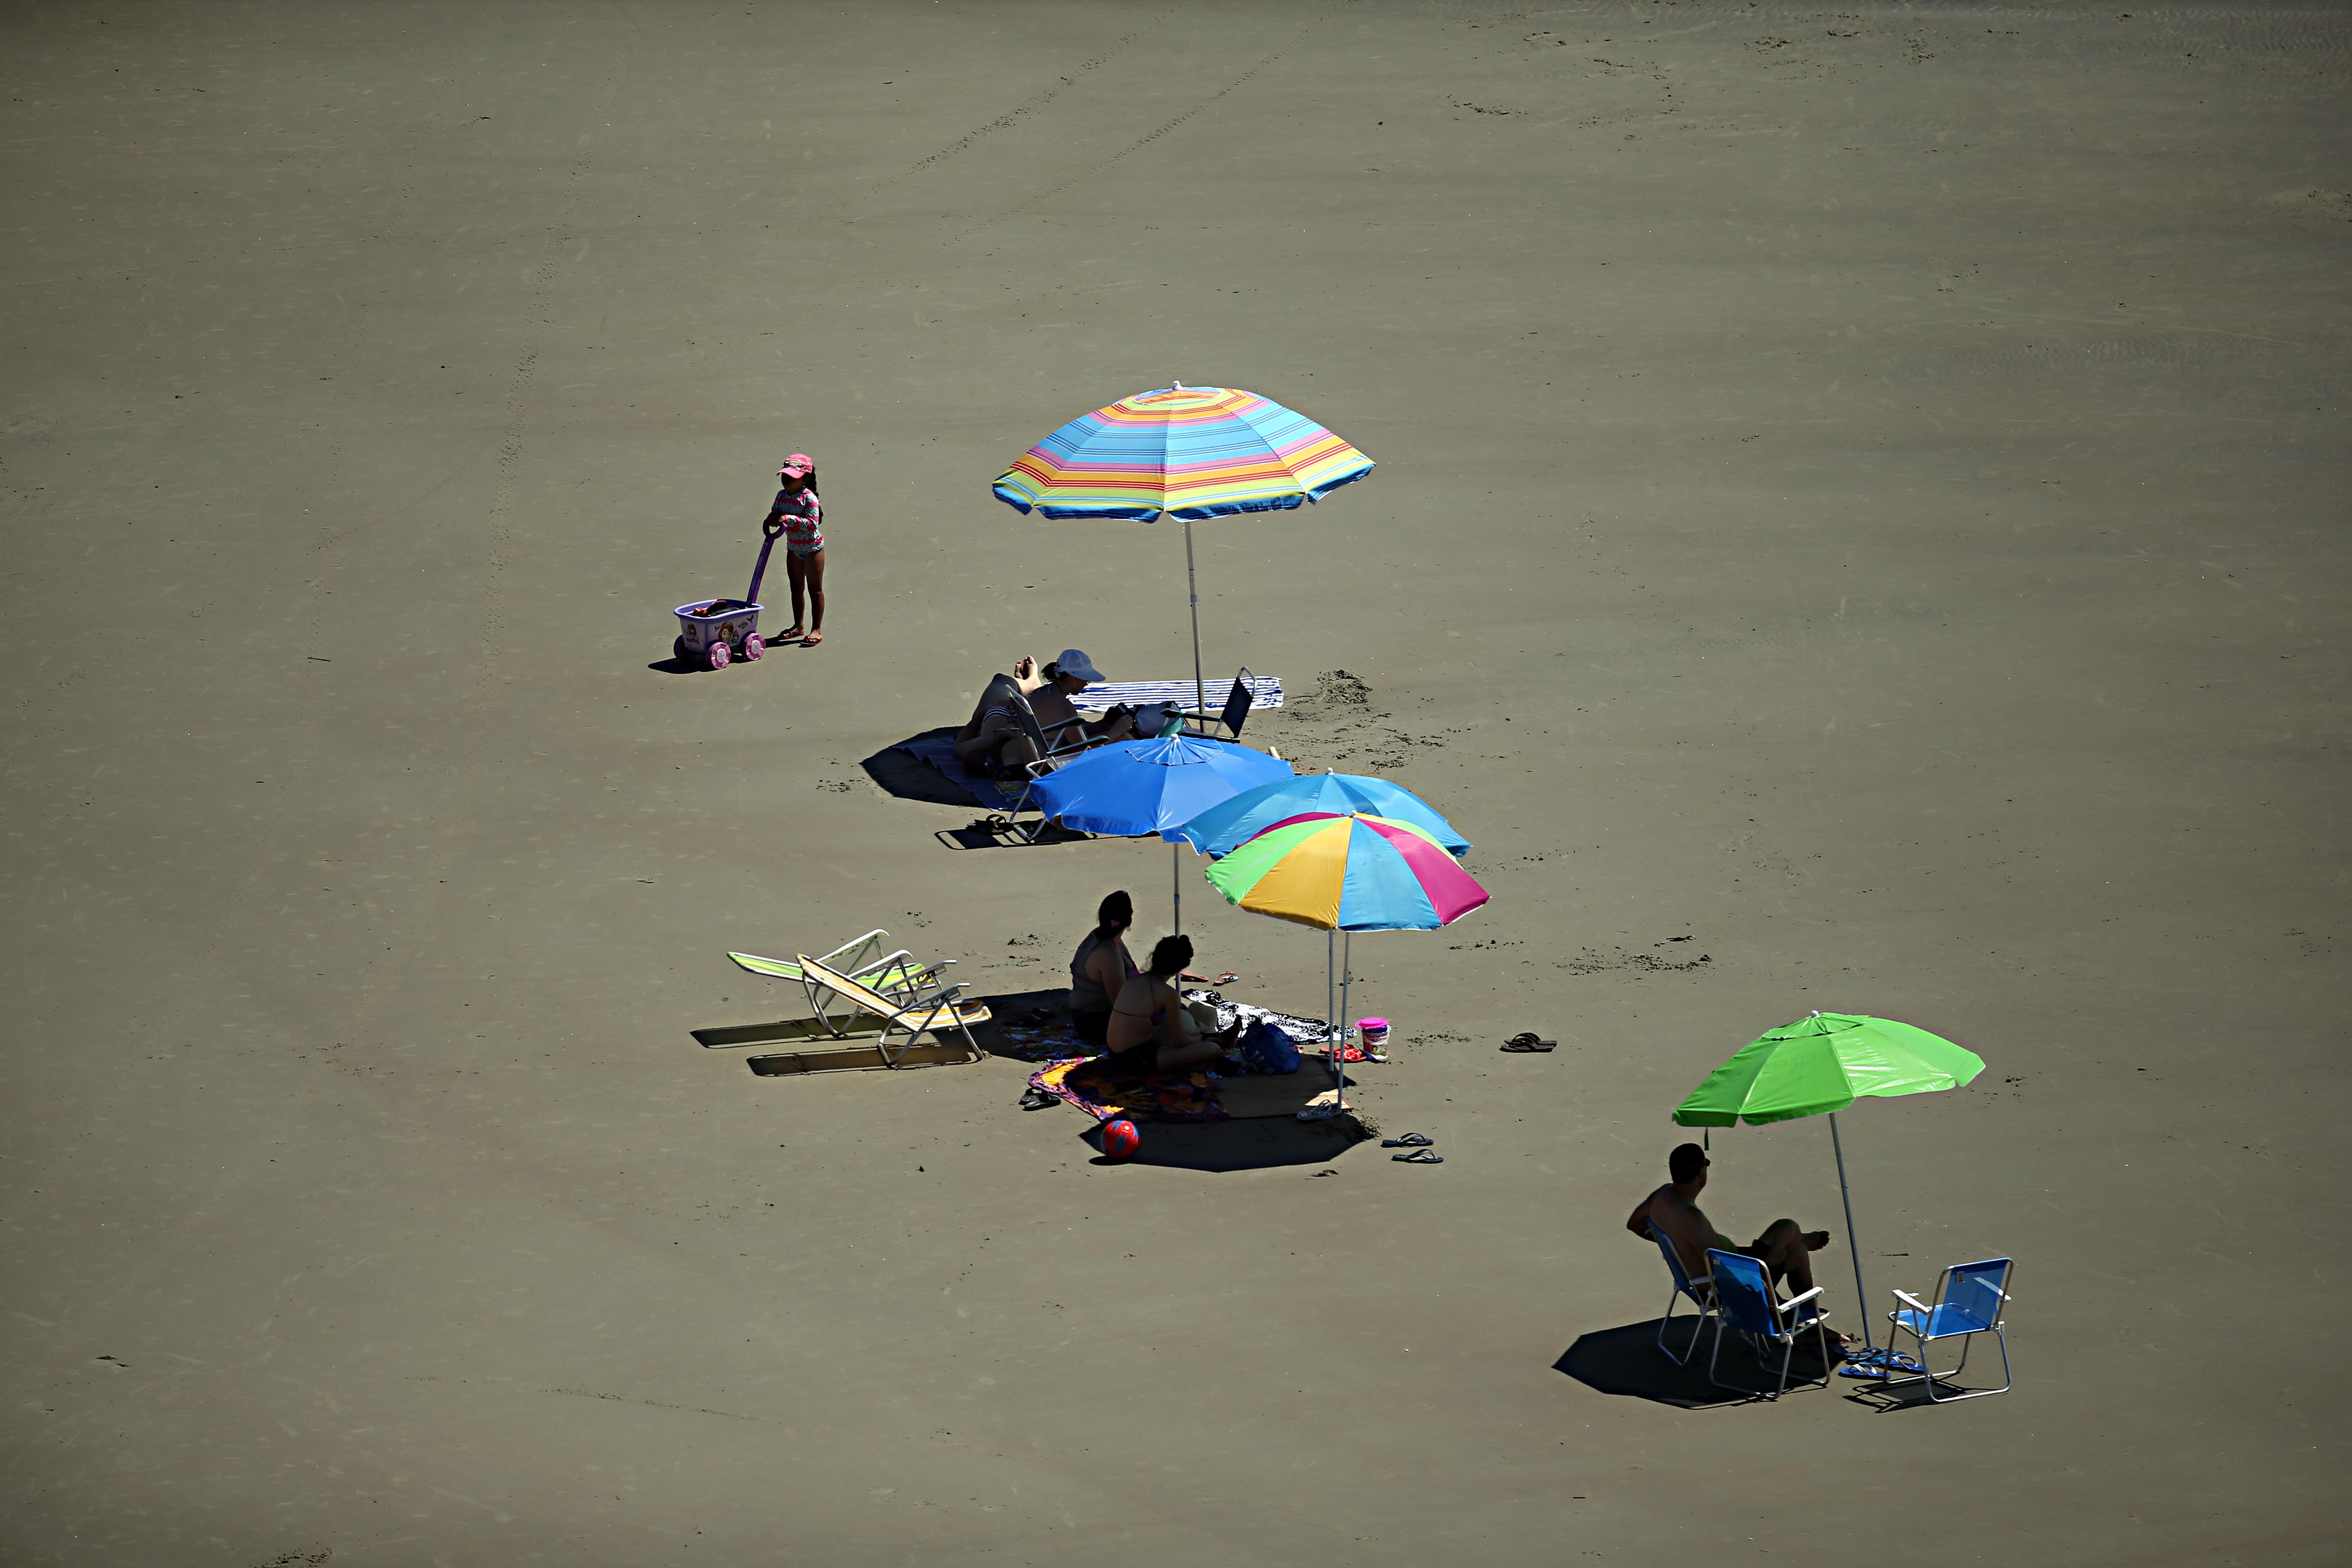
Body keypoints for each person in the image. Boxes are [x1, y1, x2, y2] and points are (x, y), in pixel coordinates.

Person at [1627, 1143, 1852, 1346]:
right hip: (1726, 1286)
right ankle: (1813, 1323)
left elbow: (1635, 1224)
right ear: (1701, 1174)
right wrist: (1766, 1276)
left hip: (1705, 1275)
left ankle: (1798, 1241)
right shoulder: (1691, 1218)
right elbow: (1724, 1268)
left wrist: (1673, 1247)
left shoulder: (1662, 1195)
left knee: (1789, 1233)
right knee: (1794, 1241)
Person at [954, 649, 1136, 780]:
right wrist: (1116, 731)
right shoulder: (1063, 706)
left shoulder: (1043, 693)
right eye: (1085, 679)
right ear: (1073, 678)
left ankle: (1029, 680)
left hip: (1032, 755)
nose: (1087, 683)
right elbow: (1083, 751)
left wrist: (1104, 725)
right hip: (1047, 766)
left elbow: (1061, 731)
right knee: (1126, 739)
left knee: (1119, 734)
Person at [1102, 934, 1244, 1077]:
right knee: (1212, 1050)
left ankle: (1213, 1045)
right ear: (1179, 969)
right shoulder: (1168, 993)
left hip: (1115, 1054)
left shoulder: (1134, 981)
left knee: (1185, 1040)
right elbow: (1180, 1041)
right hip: (1137, 1059)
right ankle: (1215, 1042)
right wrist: (1200, 1039)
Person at [763, 454, 824, 647]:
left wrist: (787, 519)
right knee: (796, 588)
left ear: (805, 479)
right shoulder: (782, 496)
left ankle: (817, 629)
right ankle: (798, 626)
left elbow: (812, 525)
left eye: (792, 476)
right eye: (785, 476)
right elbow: (776, 513)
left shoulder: (810, 498)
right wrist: (772, 519)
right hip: (794, 549)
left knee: (815, 590)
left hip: (813, 549)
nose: (786, 479)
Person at [1068, 890, 1139, 1046]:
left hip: (1084, 1013)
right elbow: (1120, 1004)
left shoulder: (1100, 936)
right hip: (1096, 1021)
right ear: (1129, 922)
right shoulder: (1109, 954)